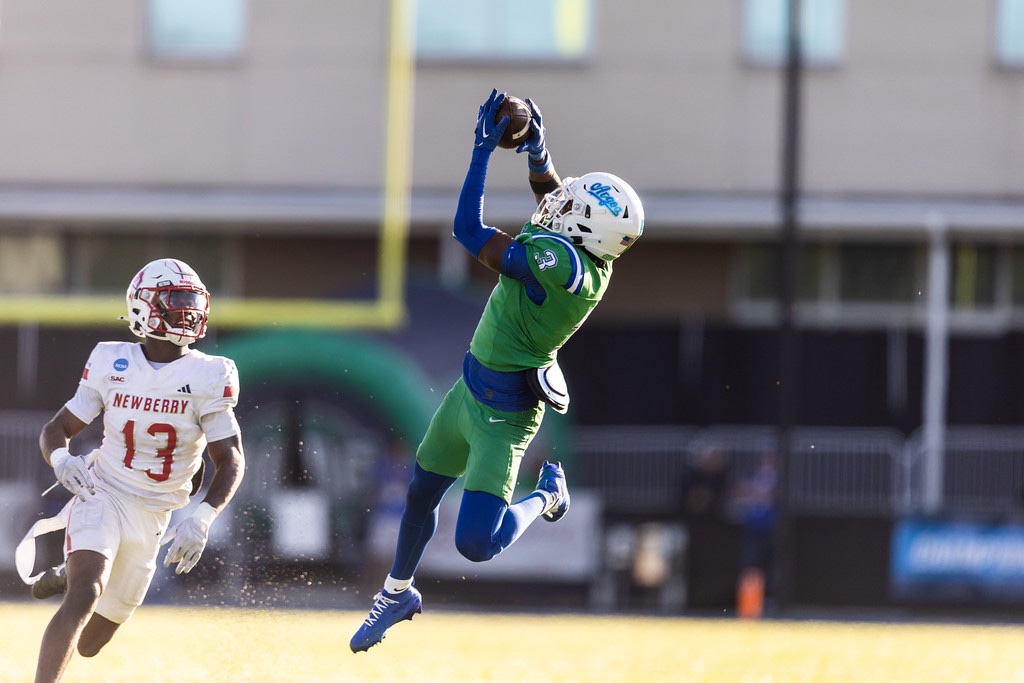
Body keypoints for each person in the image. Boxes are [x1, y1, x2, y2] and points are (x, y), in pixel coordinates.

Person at [350, 89, 645, 653]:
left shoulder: (559, 267)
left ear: (585, 233)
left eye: (575, 207)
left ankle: (547, 496)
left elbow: (468, 230)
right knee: (420, 493)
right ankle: (396, 593)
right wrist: (536, 147)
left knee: (476, 545)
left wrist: (482, 151)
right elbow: (554, 197)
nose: (562, 201)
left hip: (504, 415)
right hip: (471, 385)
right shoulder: (577, 242)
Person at [30, 258, 245, 683]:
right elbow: (58, 427)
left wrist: (203, 517)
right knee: (86, 591)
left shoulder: (210, 373)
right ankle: (77, 576)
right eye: (176, 299)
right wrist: (62, 459)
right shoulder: (112, 360)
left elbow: (231, 456)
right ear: (144, 308)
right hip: (103, 491)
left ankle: (66, 573)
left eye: (192, 300)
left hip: (154, 514)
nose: (188, 310)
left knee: (92, 643)